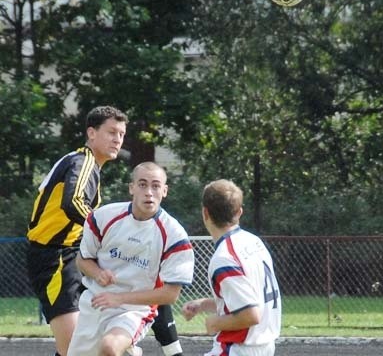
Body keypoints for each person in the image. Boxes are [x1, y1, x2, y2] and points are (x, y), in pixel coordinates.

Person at [27, 106, 184, 356]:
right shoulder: (83, 161)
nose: (117, 139)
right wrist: (104, 229)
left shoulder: (88, 166)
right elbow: (72, 202)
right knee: (72, 350)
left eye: (121, 134)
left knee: (146, 278)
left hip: (71, 254)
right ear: (91, 133)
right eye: (111, 132)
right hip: (55, 258)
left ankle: (164, 349)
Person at [66, 162, 195, 356]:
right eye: (142, 185)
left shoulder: (174, 235)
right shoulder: (102, 217)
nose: (149, 192)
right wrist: (98, 273)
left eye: (156, 186)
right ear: (131, 188)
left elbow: (170, 294)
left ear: (165, 191)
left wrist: (119, 298)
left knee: (109, 348)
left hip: (135, 309)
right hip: (95, 302)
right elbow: (82, 260)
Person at [181, 179, 281, 356]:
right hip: (264, 347)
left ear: (205, 213)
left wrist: (214, 323)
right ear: (239, 212)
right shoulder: (254, 242)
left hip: (238, 349)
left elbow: (250, 315)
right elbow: (247, 301)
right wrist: (203, 304)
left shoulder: (225, 258)